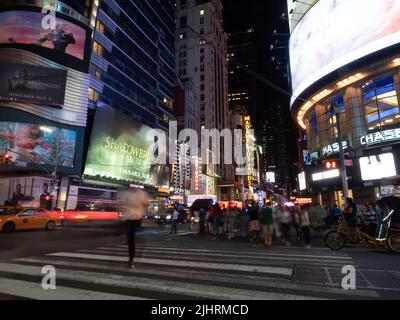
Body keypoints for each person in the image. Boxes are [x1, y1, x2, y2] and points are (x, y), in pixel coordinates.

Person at [120, 188, 149, 271]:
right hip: (128, 219)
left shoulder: (142, 194)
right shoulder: (126, 194)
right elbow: (121, 204)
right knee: (130, 240)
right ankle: (131, 259)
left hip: (137, 219)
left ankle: (138, 252)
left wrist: (142, 205)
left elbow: (146, 204)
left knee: (136, 238)